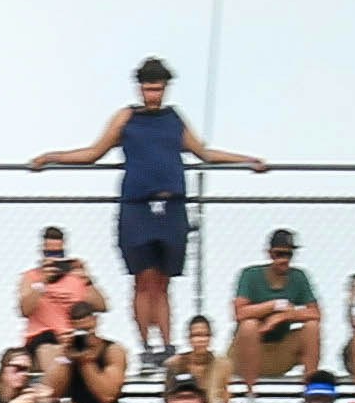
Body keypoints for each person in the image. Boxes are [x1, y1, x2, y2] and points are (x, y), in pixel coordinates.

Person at [33, 56, 259, 358]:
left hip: (171, 206)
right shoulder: (126, 118)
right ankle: (146, 347)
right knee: (142, 279)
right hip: (137, 207)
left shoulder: (174, 119)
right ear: (140, 88)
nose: (153, 95)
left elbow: (203, 152)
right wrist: (52, 157)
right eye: (149, 89)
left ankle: (166, 345)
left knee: (163, 282)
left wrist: (246, 160)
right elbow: (93, 153)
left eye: (158, 89)